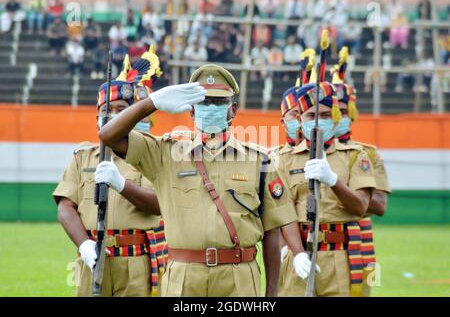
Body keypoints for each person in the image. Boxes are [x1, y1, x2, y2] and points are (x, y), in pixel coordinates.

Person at [98, 64, 305, 297]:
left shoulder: (259, 160)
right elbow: (108, 135)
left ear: (233, 110)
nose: (211, 108)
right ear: (192, 111)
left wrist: (271, 294)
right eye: (204, 102)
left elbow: (272, 230)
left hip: (238, 278)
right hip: (184, 278)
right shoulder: (165, 153)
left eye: (218, 102)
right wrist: (151, 103)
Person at [53, 48, 168, 297]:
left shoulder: (151, 154)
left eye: (121, 110)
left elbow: (159, 204)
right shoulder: (82, 156)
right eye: (107, 109)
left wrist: (121, 184)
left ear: (131, 116)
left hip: (136, 260)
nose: (113, 115)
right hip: (94, 256)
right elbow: (65, 206)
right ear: (97, 114)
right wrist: (83, 244)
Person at [277, 81, 376, 297]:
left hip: (338, 256)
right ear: (300, 119)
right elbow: (284, 213)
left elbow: (360, 207)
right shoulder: (284, 160)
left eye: (325, 115)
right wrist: (297, 253)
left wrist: (333, 180)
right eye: (311, 116)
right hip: (299, 254)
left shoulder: (355, 156)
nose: (319, 121)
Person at [332, 53, 391, 296]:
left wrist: (334, 192)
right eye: (332, 111)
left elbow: (378, 205)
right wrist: (354, 194)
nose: (338, 117)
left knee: (363, 291)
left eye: (343, 111)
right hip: (317, 247)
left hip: (361, 244)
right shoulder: (304, 154)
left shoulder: (368, 153)